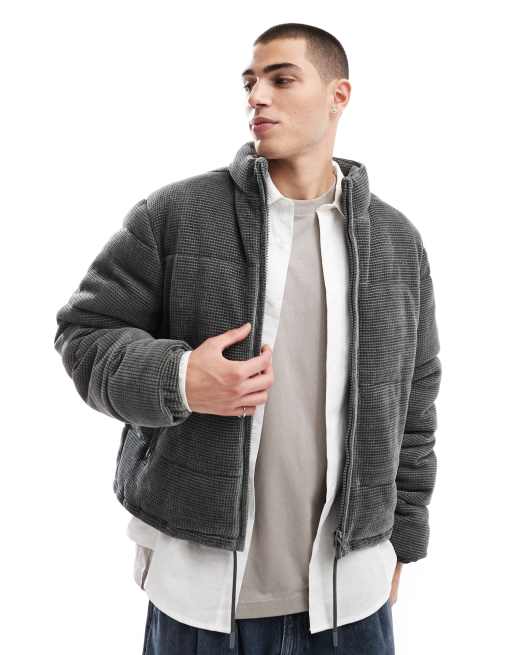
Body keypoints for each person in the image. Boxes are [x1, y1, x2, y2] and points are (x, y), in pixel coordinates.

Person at [54, 22, 441, 655]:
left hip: (351, 596)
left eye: (282, 80)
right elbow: (83, 333)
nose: (258, 96)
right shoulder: (177, 215)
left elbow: (416, 402)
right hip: (200, 597)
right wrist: (179, 379)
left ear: (339, 95)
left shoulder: (396, 241)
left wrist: (406, 538)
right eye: (250, 82)